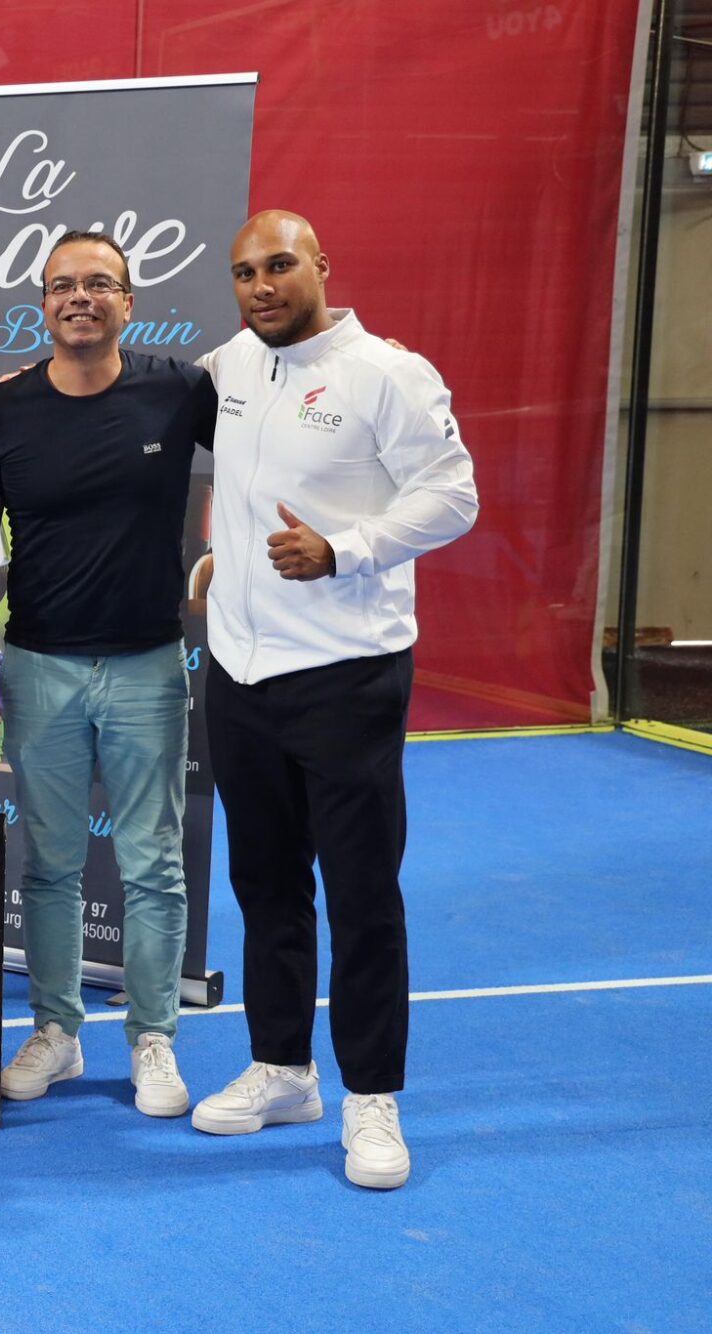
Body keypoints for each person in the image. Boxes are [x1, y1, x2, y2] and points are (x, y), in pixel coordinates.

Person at [188, 211, 478, 1190]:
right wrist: (216, 554)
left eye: (277, 265)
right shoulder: (229, 364)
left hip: (346, 676)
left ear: (320, 266)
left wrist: (343, 550)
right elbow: (231, 478)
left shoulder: (388, 374)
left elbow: (451, 496)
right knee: (263, 886)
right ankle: (281, 1069)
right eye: (242, 272)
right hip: (236, 673)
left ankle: (370, 1099)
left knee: (360, 897)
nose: (260, 284)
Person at [0, 231, 216, 1116]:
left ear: (128, 301)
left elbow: (269, 449)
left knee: (153, 866)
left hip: (148, 665)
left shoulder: (181, 391)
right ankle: (58, 1033)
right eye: (64, 285)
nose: (81, 298)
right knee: (53, 867)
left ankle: (153, 1040)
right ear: (42, 303)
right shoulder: (2, 412)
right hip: (36, 667)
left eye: (100, 284)